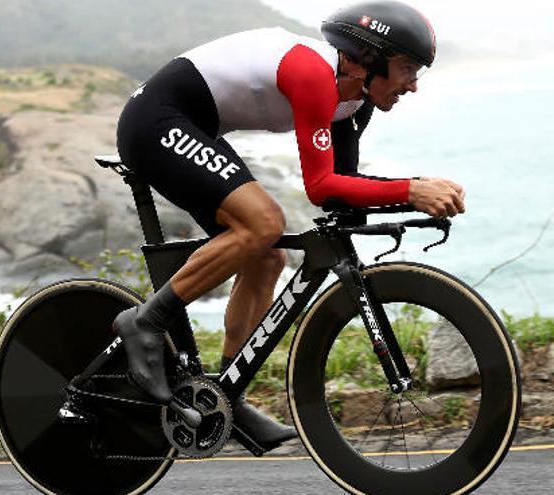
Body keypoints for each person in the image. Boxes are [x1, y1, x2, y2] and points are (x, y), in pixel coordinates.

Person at [112, 0, 465, 452]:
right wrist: (409, 189)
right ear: (369, 60)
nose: (413, 85)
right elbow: (320, 186)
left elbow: (343, 191)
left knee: (268, 254)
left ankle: (226, 394)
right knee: (264, 224)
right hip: (154, 122)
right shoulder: (313, 73)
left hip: (197, 127)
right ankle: (146, 321)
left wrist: (410, 197)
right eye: (408, 68)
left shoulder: (355, 100)